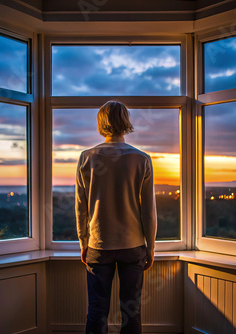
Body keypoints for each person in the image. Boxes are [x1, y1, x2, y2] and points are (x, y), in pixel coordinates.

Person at [75, 100, 157, 334]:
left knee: (97, 310)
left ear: (101, 123)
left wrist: (83, 243)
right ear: (126, 123)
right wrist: (150, 247)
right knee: (132, 312)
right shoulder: (141, 159)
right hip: (133, 246)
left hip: (99, 246)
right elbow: (148, 211)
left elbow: (81, 207)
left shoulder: (87, 157)